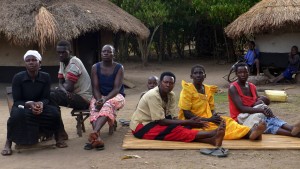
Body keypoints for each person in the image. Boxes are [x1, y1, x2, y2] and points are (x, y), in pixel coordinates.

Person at [130, 71, 226, 147]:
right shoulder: (153, 95)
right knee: (176, 131)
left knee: (180, 129)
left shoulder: (171, 95)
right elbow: (161, 121)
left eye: (171, 83)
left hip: (156, 123)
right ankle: (212, 133)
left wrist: (188, 123)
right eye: (165, 82)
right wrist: (188, 122)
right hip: (141, 126)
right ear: (159, 83)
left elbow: (171, 118)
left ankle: (211, 140)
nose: (168, 85)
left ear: (174, 85)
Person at [178, 64, 265, 140]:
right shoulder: (187, 90)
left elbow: (212, 109)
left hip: (209, 118)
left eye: (201, 73)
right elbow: (187, 114)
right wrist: (208, 119)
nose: (198, 75)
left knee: (227, 121)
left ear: (205, 75)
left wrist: (215, 117)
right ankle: (249, 134)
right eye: (195, 73)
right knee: (212, 129)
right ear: (191, 76)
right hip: (193, 122)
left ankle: (250, 132)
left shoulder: (208, 89)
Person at [1, 50, 62, 156]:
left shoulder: (45, 77)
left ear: (40, 63)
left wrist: (41, 104)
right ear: (25, 64)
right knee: (15, 116)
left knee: (54, 113)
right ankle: (8, 142)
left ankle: (58, 137)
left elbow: (46, 98)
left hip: (40, 107)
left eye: (34, 60)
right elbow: (17, 101)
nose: (31, 62)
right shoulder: (18, 78)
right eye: (28, 60)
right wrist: (29, 105)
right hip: (23, 106)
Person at [229, 62, 300, 137]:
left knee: (264, 119)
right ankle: (291, 129)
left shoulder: (252, 86)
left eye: (245, 72)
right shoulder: (233, 88)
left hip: (253, 115)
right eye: (240, 72)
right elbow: (241, 108)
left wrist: (262, 102)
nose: (243, 75)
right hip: (240, 119)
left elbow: (256, 103)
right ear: (236, 74)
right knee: (263, 117)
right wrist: (262, 109)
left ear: (248, 73)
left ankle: (293, 133)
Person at [50, 40, 92, 146]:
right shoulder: (62, 62)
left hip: (83, 99)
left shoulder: (74, 63)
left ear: (70, 51)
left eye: (63, 52)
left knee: (51, 96)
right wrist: (63, 90)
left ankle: (60, 133)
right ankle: (60, 133)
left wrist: (63, 89)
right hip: (72, 94)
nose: (60, 54)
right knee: (50, 95)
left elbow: (68, 87)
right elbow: (61, 83)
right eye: (58, 52)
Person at [84, 45, 125, 151]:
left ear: (113, 54)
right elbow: (95, 87)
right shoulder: (95, 67)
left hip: (116, 96)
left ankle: (95, 132)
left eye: (109, 51)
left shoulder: (119, 68)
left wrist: (105, 99)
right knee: (94, 107)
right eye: (103, 52)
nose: (106, 53)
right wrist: (98, 100)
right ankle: (98, 139)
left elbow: (116, 89)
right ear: (101, 54)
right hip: (99, 96)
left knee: (107, 105)